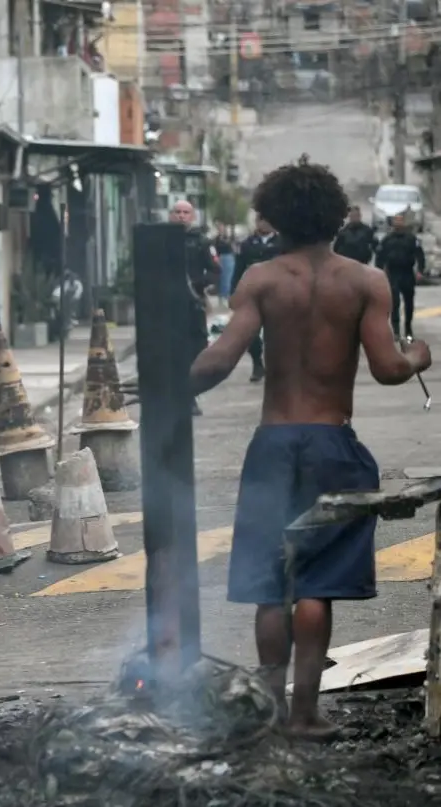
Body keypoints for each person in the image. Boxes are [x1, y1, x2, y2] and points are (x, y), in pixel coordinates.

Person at [190, 155, 431, 741]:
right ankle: (305, 714)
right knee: (316, 584)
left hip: (273, 445)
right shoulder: (365, 282)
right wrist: (420, 356)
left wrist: (170, 386)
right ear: (333, 217)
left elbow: (221, 358)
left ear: (275, 217)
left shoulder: (261, 280)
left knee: (271, 587)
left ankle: (270, 712)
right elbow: (390, 368)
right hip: (332, 446)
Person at [169, 200, 218, 416]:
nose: (181, 216)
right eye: (177, 212)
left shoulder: (202, 242)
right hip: (168, 304)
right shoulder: (163, 240)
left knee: (195, 349)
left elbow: (215, 270)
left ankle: (190, 395)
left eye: (185, 212)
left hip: (193, 303)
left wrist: (200, 283)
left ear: (193, 216)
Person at [233, 215, 281, 383]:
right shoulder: (247, 244)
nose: (264, 223)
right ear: (257, 222)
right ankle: (257, 363)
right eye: (261, 220)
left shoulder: (283, 243)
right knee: (250, 333)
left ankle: (277, 367)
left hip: (278, 292)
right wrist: (234, 291)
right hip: (254, 292)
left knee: (278, 332)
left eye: (267, 220)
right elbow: (239, 268)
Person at [376, 212, 425, 340]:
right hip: (393, 274)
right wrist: (379, 272)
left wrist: (420, 270)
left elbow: (420, 254)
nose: (398, 223)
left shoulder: (411, 238)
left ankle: (408, 329)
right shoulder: (387, 239)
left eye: (400, 220)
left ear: (404, 223)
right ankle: (396, 330)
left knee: (409, 303)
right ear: (393, 223)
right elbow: (380, 256)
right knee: (395, 302)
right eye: (396, 221)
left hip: (407, 273)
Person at [213, 220, 236, 308]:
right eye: (218, 227)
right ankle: (222, 297)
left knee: (228, 278)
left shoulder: (228, 238)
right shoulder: (216, 239)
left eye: (221, 227)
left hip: (228, 257)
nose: (220, 229)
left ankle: (226, 297)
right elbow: (215, 250)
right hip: (221, 257)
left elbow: (233, 248)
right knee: (222, 278)